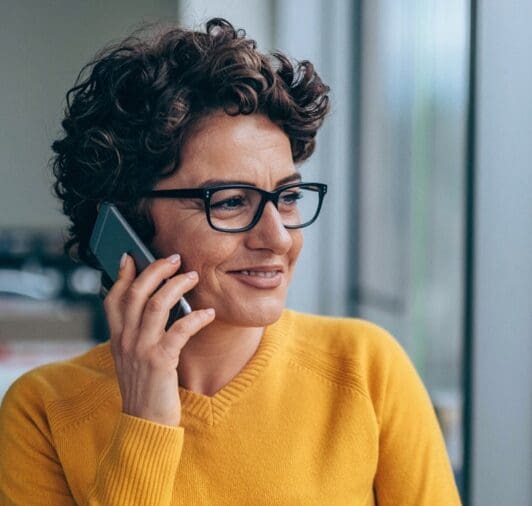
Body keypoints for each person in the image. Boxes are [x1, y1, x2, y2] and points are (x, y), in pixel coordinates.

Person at [0, 18, 461, 505]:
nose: (278, 238)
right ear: (125, 225)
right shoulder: (44, 411)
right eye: (230, 202)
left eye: (286, 197)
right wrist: (145, 422)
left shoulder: (366, 369)